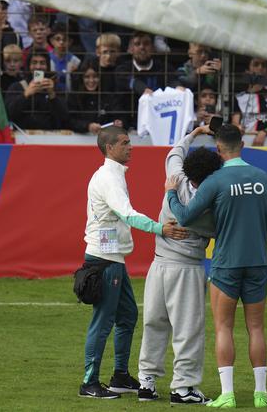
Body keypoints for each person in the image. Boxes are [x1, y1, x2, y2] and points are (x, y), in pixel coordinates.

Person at [166, 124, 267, 408]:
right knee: (257, 328)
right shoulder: (262, 177)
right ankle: (260, 394)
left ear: (219, 149)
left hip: (227, 263)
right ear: (242, 144)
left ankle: (227, 394)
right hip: (258, 261)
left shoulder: (216, 181)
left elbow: (186, 216)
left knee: (224, 328)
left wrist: (170, 194)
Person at [79, 125, 189, 399]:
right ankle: (89, 382)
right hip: (105, 259)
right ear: (110, 148)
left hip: (111, 257)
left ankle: (119, 376)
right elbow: (128, 215)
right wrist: (160, 228)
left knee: (128, 315)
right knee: (103, 322)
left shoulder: (111, 174)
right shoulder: (109, 178)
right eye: (125, 142)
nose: (131, 146)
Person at [138, 127, 222, 405]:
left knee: (154, 323)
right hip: (186, 268)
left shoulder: (175, 177)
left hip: (158, 264)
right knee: (188, 329)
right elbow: (210, 227)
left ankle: (146, 382)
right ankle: (183, 387)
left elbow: (175, 153)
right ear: (214, 175)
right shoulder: (209, 206)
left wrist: (195, 132)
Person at [5, 48, 71, 130]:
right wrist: (25, 94)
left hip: (50, 137)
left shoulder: (56, 88)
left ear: (48, 66)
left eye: (42, 63)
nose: (38, 67)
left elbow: (65, 119)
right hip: (22, 137)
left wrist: (52, 95)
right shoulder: (17, 87)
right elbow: (8, 114)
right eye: (34, 62)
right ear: (29, 66)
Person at [232, 57, 267, 146]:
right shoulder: (238, 97)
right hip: (244, 140)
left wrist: (264, 133)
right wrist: (238, 127)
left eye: (263, 65)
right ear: (247, 70)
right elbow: (235, 121)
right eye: (256, 64)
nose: (260, 68)